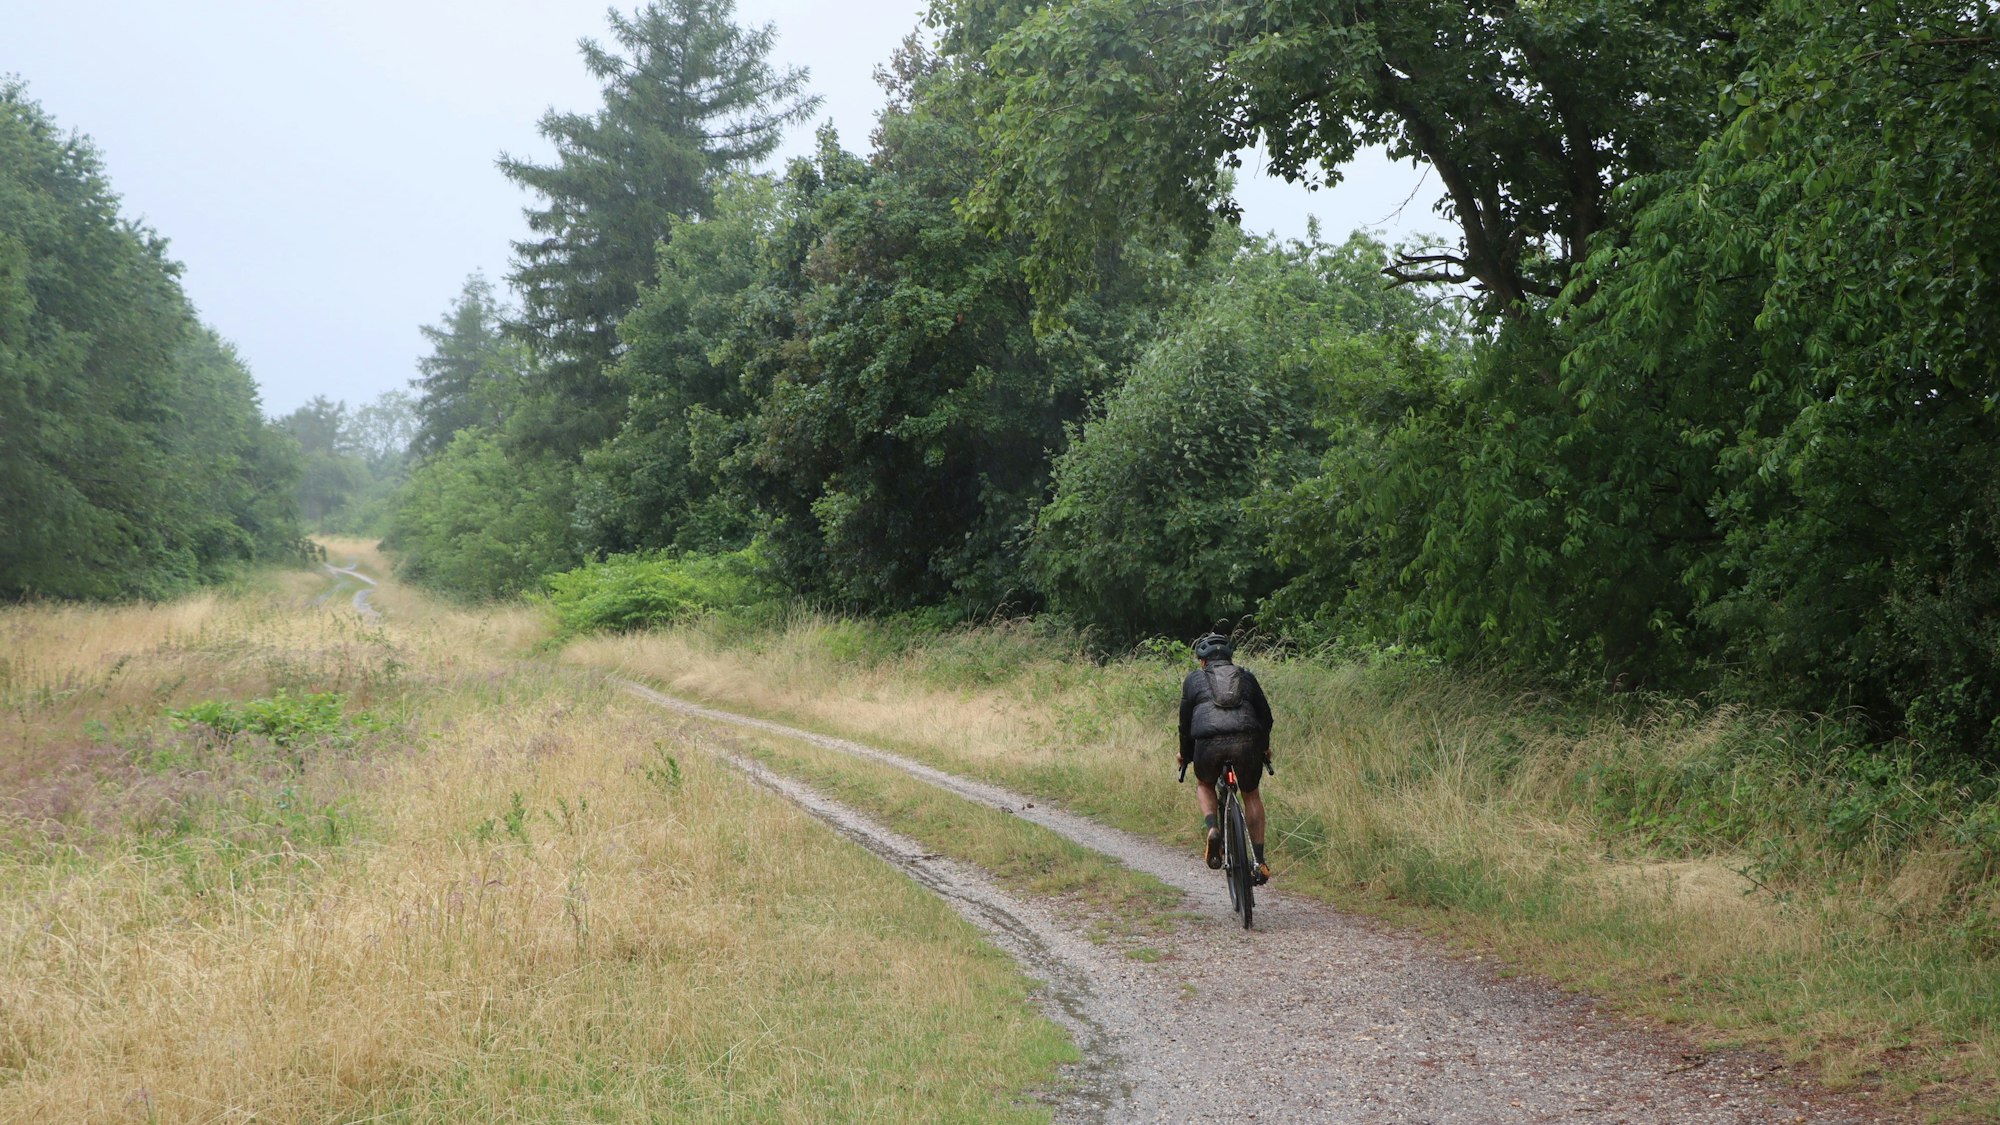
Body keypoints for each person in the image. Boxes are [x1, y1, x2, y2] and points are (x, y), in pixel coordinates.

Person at [1178, 632, 1274, 883]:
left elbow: (1185, 725)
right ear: (1229, 658)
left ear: (1202, 661)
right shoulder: (1246, 677)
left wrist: (1185, 756)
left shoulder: (1193, 680)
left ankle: (1212, 828)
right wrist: (1264, 748)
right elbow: (1266, 717)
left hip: (1208, 747)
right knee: (1250, 792)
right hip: (1247, 743)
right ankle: (1259, 860)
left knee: (1204, 783)